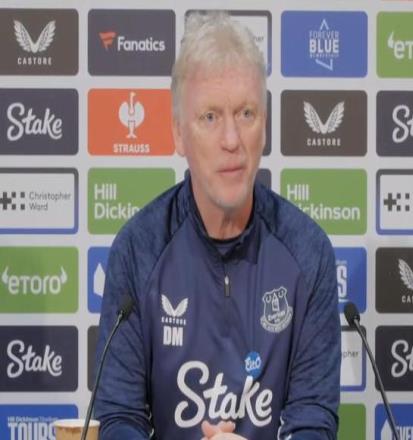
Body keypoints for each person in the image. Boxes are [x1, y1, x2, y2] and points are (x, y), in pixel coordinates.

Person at [94, 11, 340, 440]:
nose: (232, 140)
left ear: (265, 126)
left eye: (246, 113)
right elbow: (119, 418)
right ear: (178, 134)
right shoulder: (138, 248)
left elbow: (314, 422)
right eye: (210, 117)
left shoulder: (307, 251)